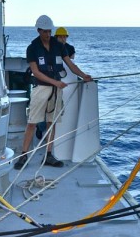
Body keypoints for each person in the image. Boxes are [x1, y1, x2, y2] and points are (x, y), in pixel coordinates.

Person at [14, 16, 92, 170]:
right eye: (45, 31)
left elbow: (70, 64)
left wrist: (84, 76)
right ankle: (23, 155)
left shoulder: (58, 45)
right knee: (32, 122)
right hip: (41, 88)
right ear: (39, 31)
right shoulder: (32, 48)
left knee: (52, 122)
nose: (48, 34)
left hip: (57, 90)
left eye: (50, 31)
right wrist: (55, 82)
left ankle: (49, 154)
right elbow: (35, 72)